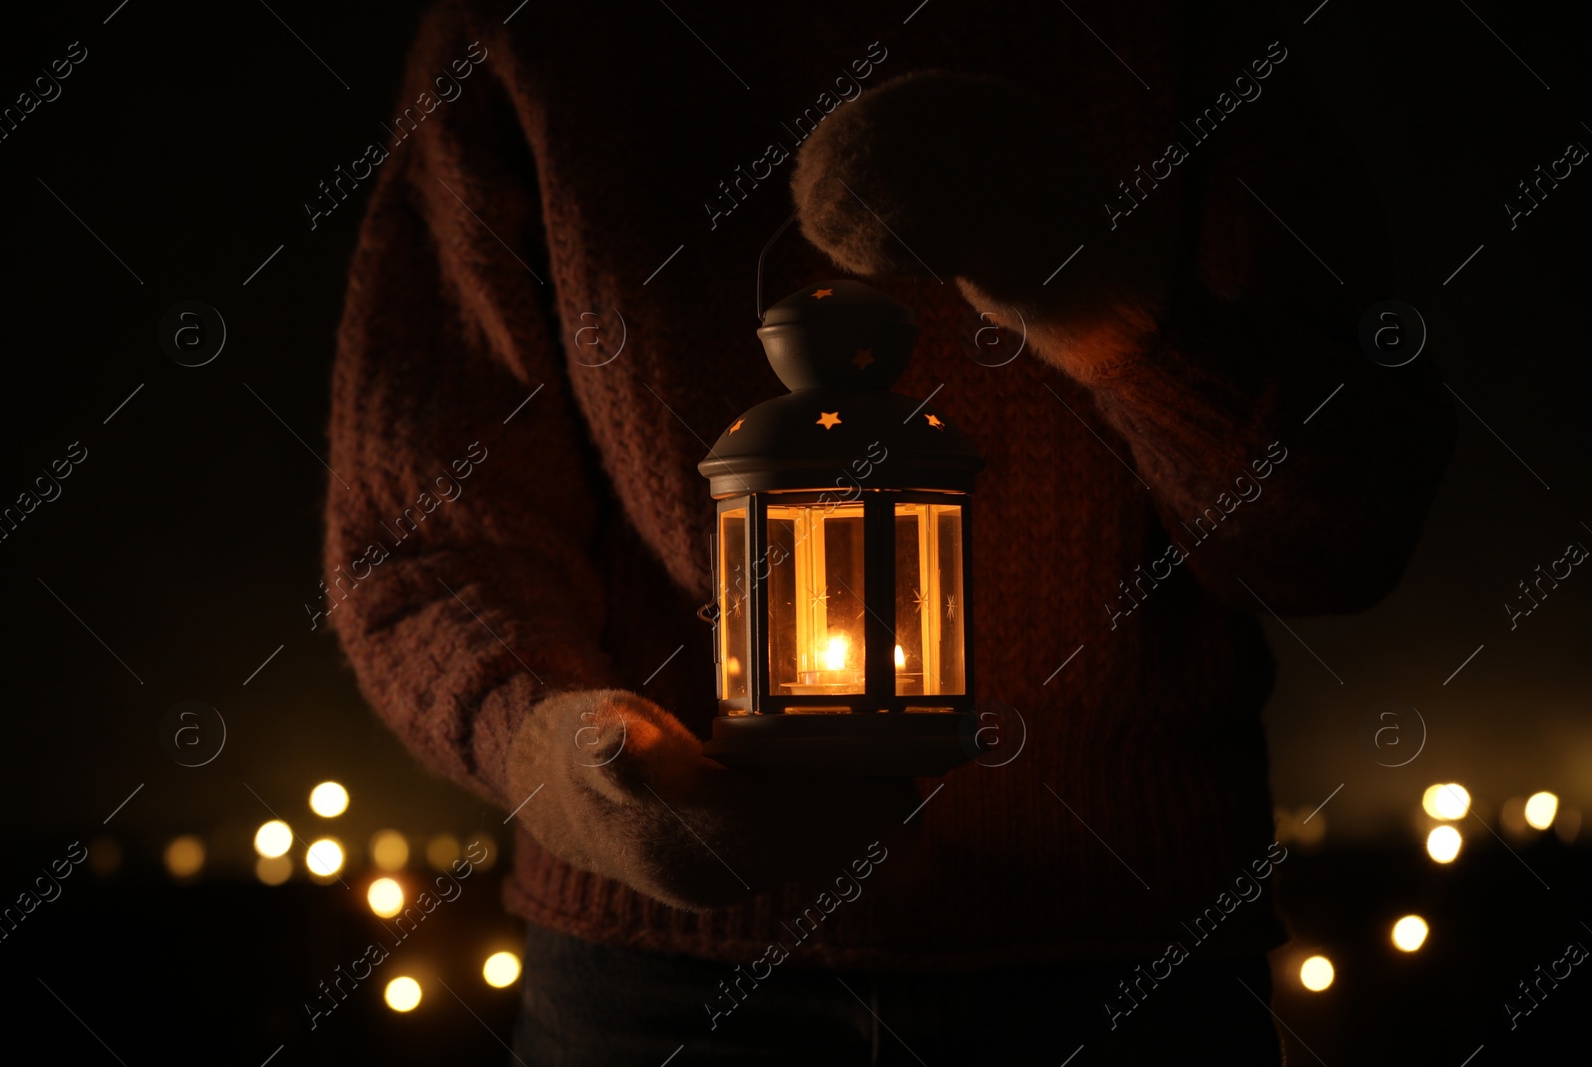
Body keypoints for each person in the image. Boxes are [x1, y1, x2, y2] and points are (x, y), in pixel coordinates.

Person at [325, 1, 1454, 1061]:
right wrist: (566, 764)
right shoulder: (532, 30)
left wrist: (1099, 293)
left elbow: (1340, 521)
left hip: (1120, 955)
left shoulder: (1173, 27)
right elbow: (427, 532)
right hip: (656, 982)